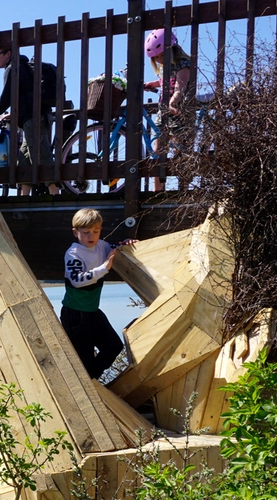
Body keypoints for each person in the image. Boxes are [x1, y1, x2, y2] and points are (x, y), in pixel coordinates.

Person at [60, 208, 136, 380]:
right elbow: (77, 281)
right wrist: (103, 269)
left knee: (113, 346)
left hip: (92, 311)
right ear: (75, 232)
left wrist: (126, 243)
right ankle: (88, 382)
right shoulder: (73, 254)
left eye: (96, 231)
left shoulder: (102, 246)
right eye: (86, 232)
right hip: (75, 314)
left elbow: (116, 249)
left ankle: (91, 379)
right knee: (83, 360)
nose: (91, 236)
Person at [0, 47, 59, 196]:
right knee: (24, 156)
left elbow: (6, 97)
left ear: (8, 54)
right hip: (38, 116)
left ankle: (55, 194)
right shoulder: (24, 67)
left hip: (33, 119)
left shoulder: (13, 68)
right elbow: (25, 96)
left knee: (41, 154)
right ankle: (24, 195)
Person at [144, 28, 193, 191]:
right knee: (158, 151)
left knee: (180, 151)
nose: (159, 60)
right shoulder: (165, 67)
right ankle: (157, 190)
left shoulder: (183, 64)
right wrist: (154, 83)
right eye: (155, 58)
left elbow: (179, 87)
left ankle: (183, 189)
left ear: (171, 49)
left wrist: (172, 103)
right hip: (163, 112)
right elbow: (167, 80)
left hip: (179, 112)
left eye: (161, 55)